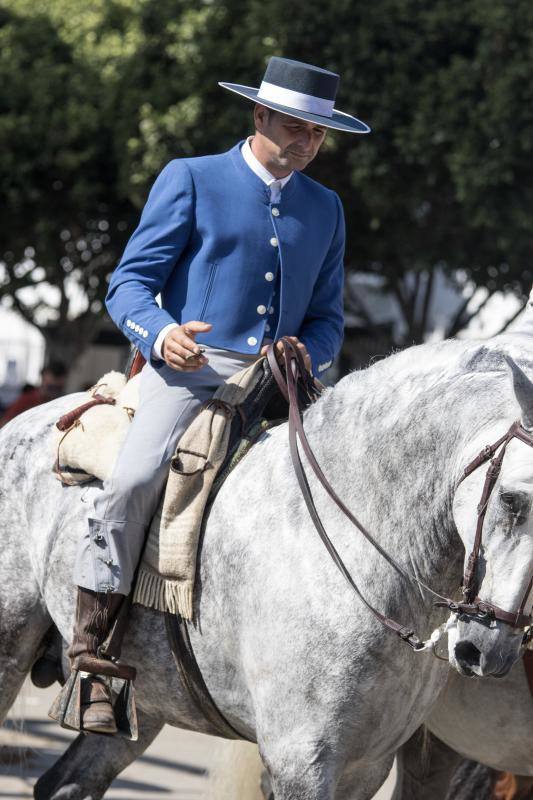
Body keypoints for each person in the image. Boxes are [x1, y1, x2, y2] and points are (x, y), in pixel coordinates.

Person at [65, 56, 371, 734]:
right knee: (134, 478)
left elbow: (326, 319)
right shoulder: (192, 178)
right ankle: (93, 655)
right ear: (258, 116)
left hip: (278, 378)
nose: (305, 143)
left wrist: (308, 353)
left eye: (317, 135)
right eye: (293, 127)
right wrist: (163, 333)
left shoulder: (326, 207)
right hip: (190, 367)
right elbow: (129, 285)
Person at [0, 360, 67, 427]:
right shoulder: (27, 400)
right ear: (43, 377)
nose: (53, 392)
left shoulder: (62, 404)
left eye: (58, 388)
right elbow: (5, 423)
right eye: (51, 387)